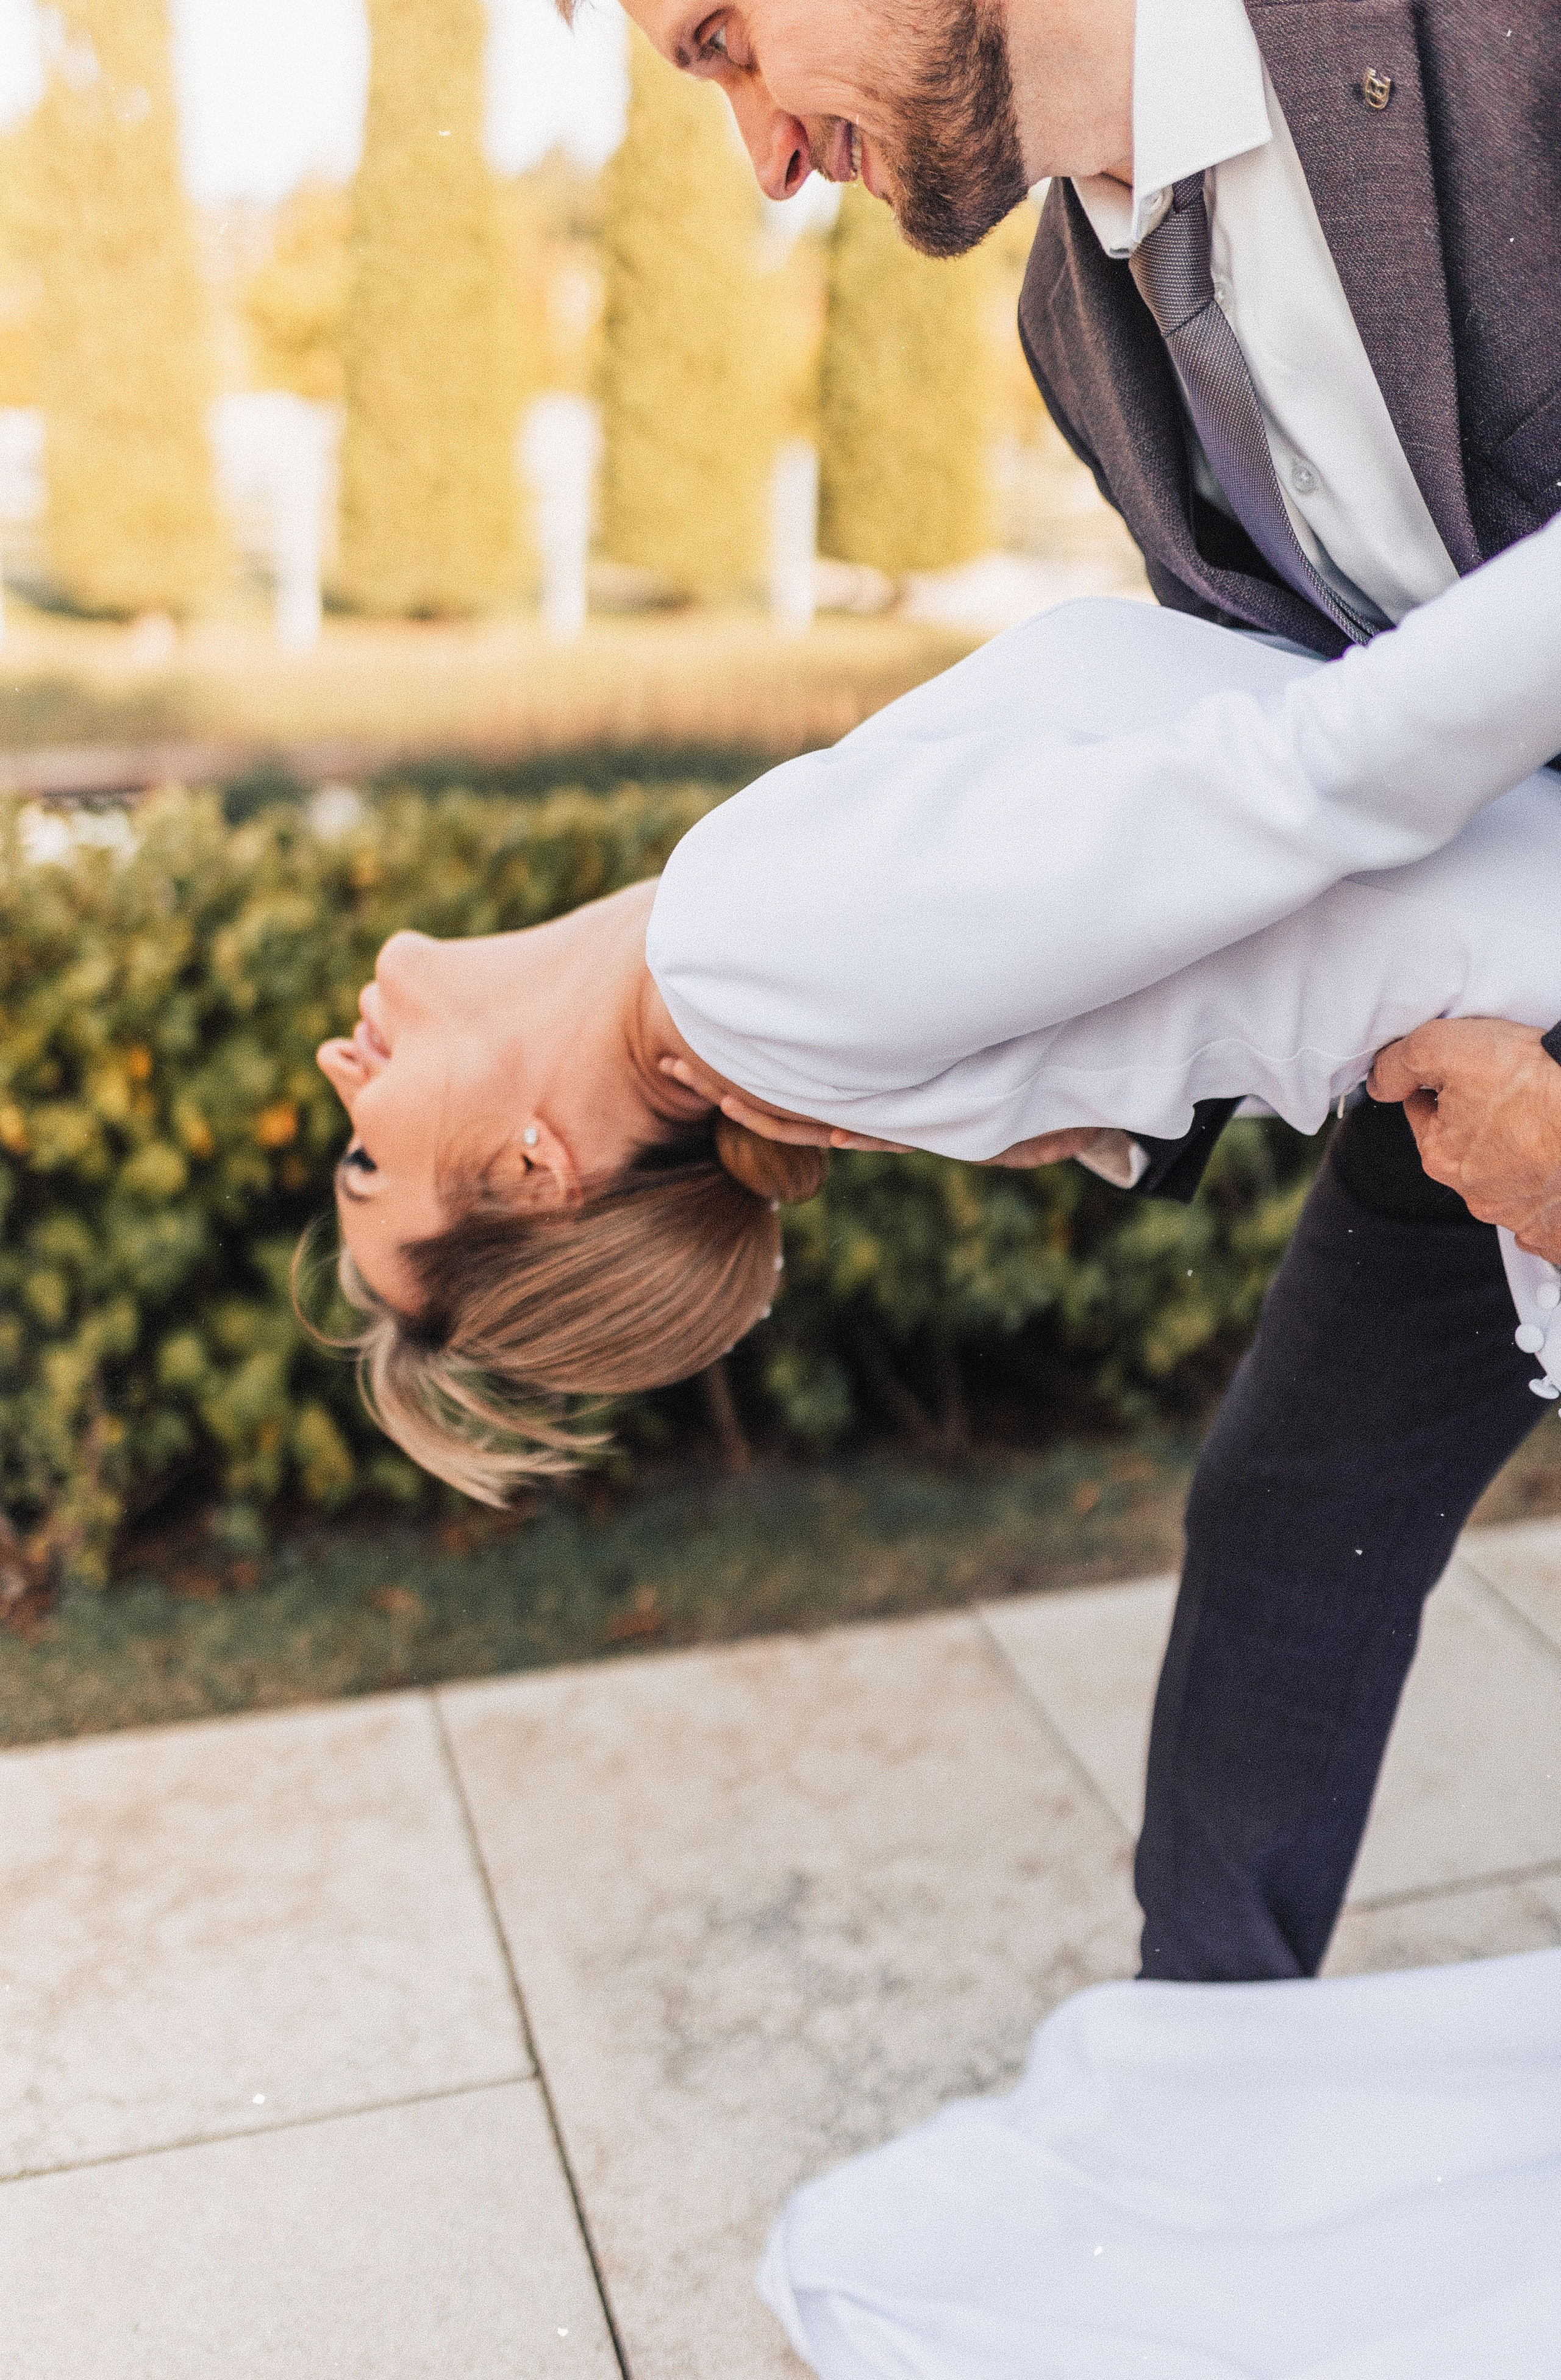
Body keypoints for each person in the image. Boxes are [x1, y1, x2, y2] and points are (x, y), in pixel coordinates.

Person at [572, 0, 1561, 1981]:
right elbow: (1248, 765)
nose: (762, 158)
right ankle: (1192, 2115)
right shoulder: (1079, 335)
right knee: (1291, 1516)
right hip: (1477, 1008)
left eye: (727, 43)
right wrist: (1036, 1064)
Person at [313, 511, 1561, 1516]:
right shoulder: (737, 959)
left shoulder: (734, 973)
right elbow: (1307, 780)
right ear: (535, 1170)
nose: (336, 1070)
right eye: (368, 1160)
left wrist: (1081, 1122)